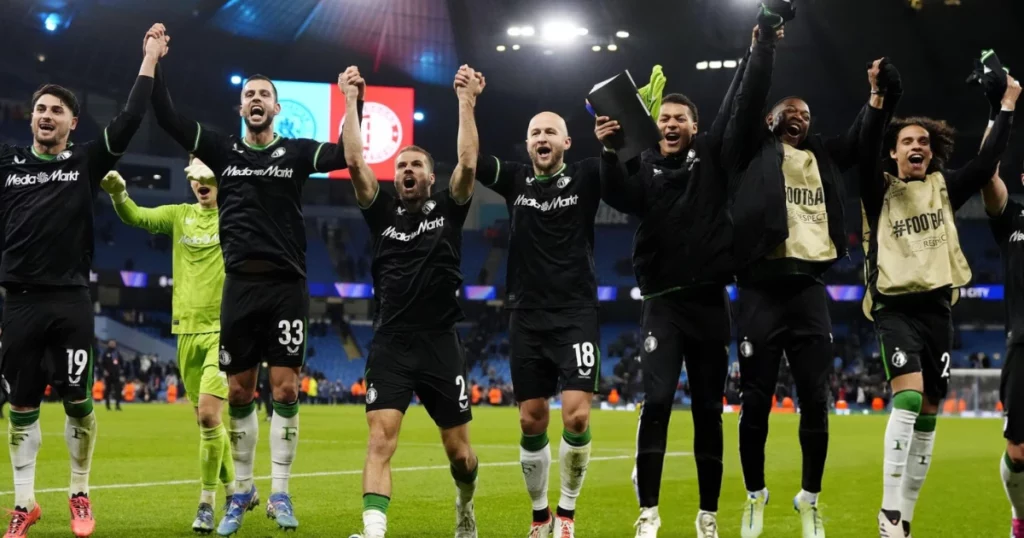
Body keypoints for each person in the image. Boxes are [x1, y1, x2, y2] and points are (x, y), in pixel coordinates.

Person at [146, 29, 362, 536]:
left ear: (277, 107)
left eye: (264, 94)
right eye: (249, 95)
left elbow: (351, 157)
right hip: (238, 288)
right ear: (240, 107)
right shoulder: (221, 150)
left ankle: (281, 493)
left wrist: (354, 100)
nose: (256, 100)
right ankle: (241, 494)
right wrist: (154, 60)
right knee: (240, 392)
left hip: (287, 285)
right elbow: (169, 118)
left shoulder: (295, 153)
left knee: (285, 389)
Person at [595, 22, 782, 538]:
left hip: (708, 304)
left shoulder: (715, 161)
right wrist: (612, 152)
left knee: (707, 413)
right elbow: (617, 197)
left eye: (680, 118)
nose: (671, 123)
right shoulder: (643, 167)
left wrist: (759, 47)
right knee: (655, 403)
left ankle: (707, 517)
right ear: (654, 128)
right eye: (664, 118)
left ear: (695, 128)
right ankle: (649, 514)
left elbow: (741, 105)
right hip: (661, 304)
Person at [722, 5, 893, 536]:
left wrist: (877, 99)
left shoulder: (819, 154)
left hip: (808, 291)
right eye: (792, 111)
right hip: (759, 289)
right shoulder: (751, 149)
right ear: (772, 119)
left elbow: (862, 139)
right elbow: (749, 97)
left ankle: (809, 499)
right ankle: (755, 496)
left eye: (809, 114)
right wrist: (766, 45)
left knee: (815, 402)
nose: (802, 118)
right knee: (754, 403)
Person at [0, 23, 165, 538]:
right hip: (19, 303)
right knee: (21, 407)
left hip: (70, 301)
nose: (46, 116)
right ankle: (24, 504)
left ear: (73, 122)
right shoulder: (7, 167)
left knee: (77, 400)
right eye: (40, 109)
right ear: (32, 118)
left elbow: (133, 116)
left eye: (57, 111)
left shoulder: (86, 162)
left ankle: (78, 491)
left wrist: (150, 59)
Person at [865, 70, 1019, 537]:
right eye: (907, 140)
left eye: (925, 142)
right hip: (894, 307)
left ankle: (905, 518)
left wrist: (1006, 104)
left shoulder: (944, 187)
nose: (917, 146)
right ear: (893, 151)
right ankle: (889, 511)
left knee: (930, 412)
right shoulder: (878, 188)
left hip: (937, 311)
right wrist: (882, 97)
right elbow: (867, 137)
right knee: (909, 397)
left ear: (933, 152)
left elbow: (988, 160)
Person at [341, 65, 481, 538]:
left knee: (459, 453)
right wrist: (350, 101)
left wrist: (466, 102)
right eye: (401, 165)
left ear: (430, 175)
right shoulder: (381, 214)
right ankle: (375, 531)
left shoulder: (449, 209)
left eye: (415, 165)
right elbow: (356, 162)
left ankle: (465, 503)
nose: (406, 170)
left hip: (441, 343)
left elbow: (469, 164)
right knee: (380, 439)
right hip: (391, 344)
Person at [467, 68, 602, 538]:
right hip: (525, 316)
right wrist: (468, 102)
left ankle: (566, 512)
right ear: (527, 145)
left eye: (550, 131)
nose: (542, 137)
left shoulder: (587, 177)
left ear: (566, 142)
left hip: (576, 313)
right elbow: (470, 161)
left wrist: (625, 121)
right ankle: (540, 512)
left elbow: (627, 161)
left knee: (578, 414)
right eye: (534, 133)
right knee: (531, 419)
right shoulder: (517, 181)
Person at [100, 156, 236, 533]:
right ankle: (238, 489)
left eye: (207, 173)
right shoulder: (179, 214)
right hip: (185, 331)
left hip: (223, 330)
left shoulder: (237, 214)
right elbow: (137, 217)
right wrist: (119, 195)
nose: (200, 182)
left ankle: (207, 503)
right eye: (194, 176)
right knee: (206, 422)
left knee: (209, 415)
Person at [101, 339, 125, 411]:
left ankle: (117, 405)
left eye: (113, 343)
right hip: (108, 375)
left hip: (116, 375)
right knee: (108, 390)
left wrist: (121, 372)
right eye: (111, 343)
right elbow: (102, 364)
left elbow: (122, 362)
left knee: (118, 390)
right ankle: (107, 406)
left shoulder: (117, 353)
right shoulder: (105, 353)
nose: (112, 344)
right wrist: (104, 371)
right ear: (108, 344)